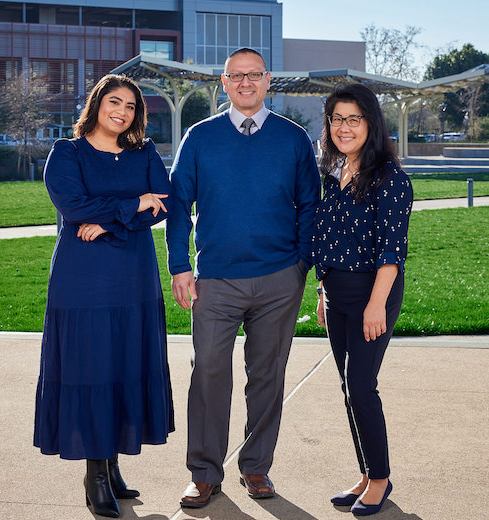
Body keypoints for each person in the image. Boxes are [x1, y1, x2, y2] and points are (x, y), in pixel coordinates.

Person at [166, 47, 321, 508]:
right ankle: (204, 473)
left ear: (268, 80)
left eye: (254, 74)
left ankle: (256, 467)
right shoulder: (200, 137)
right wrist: (179, 265)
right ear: (224, 83)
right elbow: (177, 205)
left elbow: (310, 205)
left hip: (278, 279)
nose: (246, 82)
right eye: (237, 76)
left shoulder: (292, 139)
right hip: (216, 280)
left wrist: (301, 264)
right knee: (209, 373)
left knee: (267, 376)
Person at [33, 74, 174, 519]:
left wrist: (111, 220)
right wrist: (132, 205)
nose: (123, 111)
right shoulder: (67, 153)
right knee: (91, 363)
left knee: (124, 361)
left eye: (131, 106)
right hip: (84, 276)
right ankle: (95, 476)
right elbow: (73, 208)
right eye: (115, 102)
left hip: (133, 274)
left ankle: (111, 467)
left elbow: (163, 202)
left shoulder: (145, 152)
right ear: (97, 104)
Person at [312, 83, 412, 516]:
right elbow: (329, 238)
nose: (344, 127)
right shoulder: (334, 173)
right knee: (347, 389)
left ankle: (381, 478)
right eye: (337, 118)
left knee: (361, 388)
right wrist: (321, 291)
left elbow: (392, 251)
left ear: (370, 124)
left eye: (354, 118)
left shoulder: (391, 178)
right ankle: (366, 472)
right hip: (336, 293)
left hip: (374, 294)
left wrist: (376, 306)